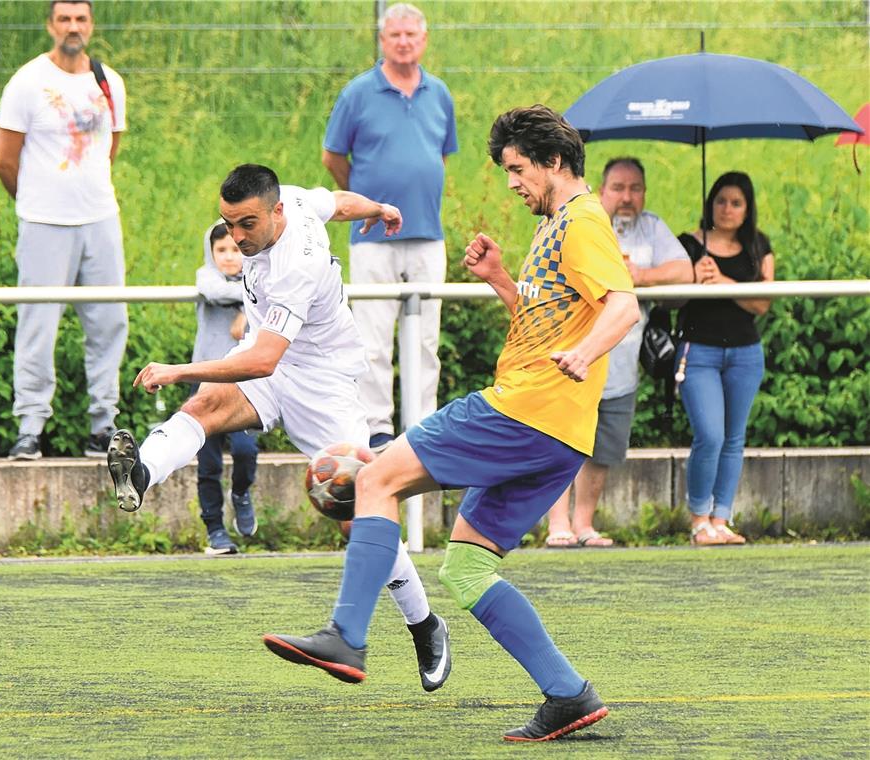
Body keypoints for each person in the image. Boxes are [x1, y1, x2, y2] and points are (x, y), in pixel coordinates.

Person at [263, 106, 641, 741]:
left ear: (553, 163)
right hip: (559, 435)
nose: (513, 183)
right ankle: (568, 694)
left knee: (376, 476)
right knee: (465, 568)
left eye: (518, 170)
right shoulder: (559, 225)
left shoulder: (581, 223)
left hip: (523, 410)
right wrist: (500, 279)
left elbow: (624, 306)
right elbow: (548, 324)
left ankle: (347, 637)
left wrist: (585, 353)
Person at [109, 164, 452, 692]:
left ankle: (425, 624)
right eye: (227, 225)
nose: (236, 237)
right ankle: (141, 474)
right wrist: (380, 208)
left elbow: (266, 358)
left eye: (246, 224)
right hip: (270, 359)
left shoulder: (299, 264)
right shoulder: (290, 198)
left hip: (323, 380)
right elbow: (336, 201)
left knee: (357, 513)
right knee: (204, 408)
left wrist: (180, 369)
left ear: (275, 213)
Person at [0, 0, 128, 461]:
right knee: (37, 325)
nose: (73, 27)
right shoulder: (27, 82)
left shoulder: (108, 82)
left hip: (101, 219)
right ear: (51, 25)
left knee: (110, 323)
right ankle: (30, 426)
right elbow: (4, 160)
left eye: (81, 19)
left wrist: (83, 194)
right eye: (65, 19)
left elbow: (109, 149)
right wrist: (36, 201)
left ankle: (103, 424)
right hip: (44, 224)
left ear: (91, 25)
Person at [321, 2, 457, 451]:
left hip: (427, 235)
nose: (403, 42)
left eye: (411, 35)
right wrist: (365, 204)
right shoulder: (358, 93)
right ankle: (378, 428)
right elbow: (333, 158)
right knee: (373, 338)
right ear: (382, 40)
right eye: (395, 35)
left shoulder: (439, 93)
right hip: (372, 238)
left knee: (426, 340)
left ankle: (422, 425)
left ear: (424, 40)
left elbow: (439, 157)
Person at [545, 157, 693, 548]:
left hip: (623, 362)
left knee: (604, 449)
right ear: (601, 188)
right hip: (574, 355)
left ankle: (584, 523)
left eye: (635, 188)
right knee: (563, 442)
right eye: (618, 188)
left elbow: (684, 272)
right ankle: (556, 523)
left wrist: (639, 276)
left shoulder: (651, 228)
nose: (627, 197)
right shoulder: (582, 221)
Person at [675, 171, 775, 546]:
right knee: (710, 435)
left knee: (734, 438)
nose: (727, 209)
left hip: (745, 353)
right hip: (698, 351)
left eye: (736, 203)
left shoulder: (758, 246)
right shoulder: (688, 244)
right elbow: (672, 300)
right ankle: (699, 519)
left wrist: (725, 284)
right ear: (710, 203)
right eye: (721, 200)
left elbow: (762, 303)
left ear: (747, 209)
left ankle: (722, 518)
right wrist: (693, 279)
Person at [193, 222, 259, 555]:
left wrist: (248, 312)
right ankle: (215, 530)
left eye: (235, 249)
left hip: (243, 384)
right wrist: (247, 303)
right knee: (209, 464)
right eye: (222, 250)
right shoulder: (206, 277)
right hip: (205, 380)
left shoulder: (259, 281)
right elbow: (217, 292)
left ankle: (241, 493)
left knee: (246, 451)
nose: (229, 257)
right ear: (211, 252)